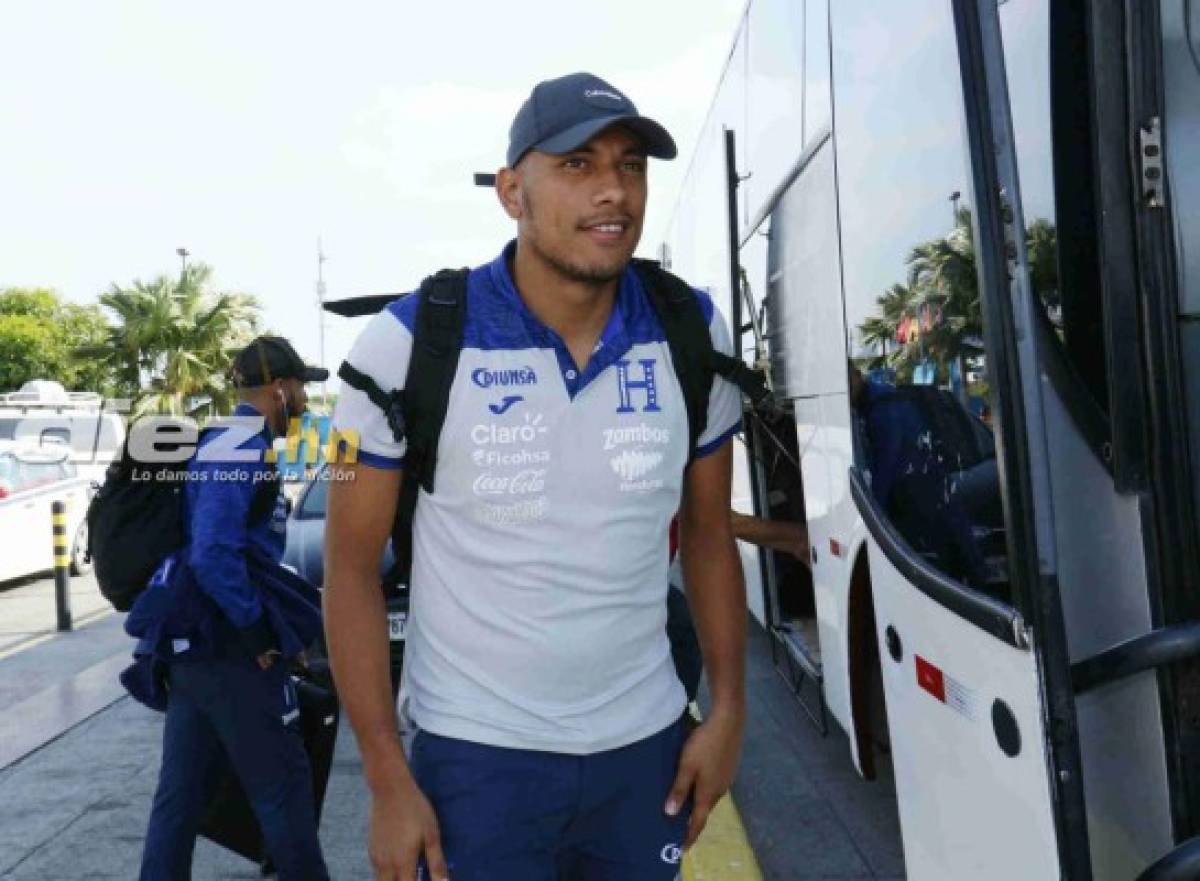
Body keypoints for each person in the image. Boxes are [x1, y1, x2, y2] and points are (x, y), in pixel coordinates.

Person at [325, 71, 747, 881]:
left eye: (631, 165)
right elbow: (348, 572)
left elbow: (707, 535)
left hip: (644, 754)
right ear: (513, 190)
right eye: (578, 165)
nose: (614, 191)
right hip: (476, 759)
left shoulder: (690, 329)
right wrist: (386, 776)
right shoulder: (410, 342)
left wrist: (728, 710)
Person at [133, 336, 331, 881]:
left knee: (180, 798)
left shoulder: (234, 440)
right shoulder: (237, 444)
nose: (304, 400)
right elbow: (213, 550)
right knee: (283, 788)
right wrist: (255, 634)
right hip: (225, 649)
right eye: (300, 388)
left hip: (196, 648)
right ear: (278, 389)